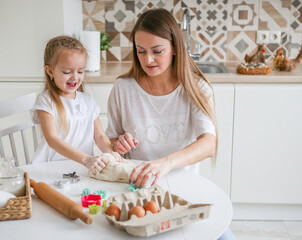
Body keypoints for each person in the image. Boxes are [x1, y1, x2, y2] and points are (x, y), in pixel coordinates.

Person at [106, 8, 235, 240]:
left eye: (157, 51)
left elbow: (209, 144)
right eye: (140, 51)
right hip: (137, 192)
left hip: (183, 191)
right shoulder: (122, 89)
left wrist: (165, 163)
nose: (148, 60)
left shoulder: (196, 88)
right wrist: (118, 144)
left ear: (175, 48)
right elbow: (110, 141)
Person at [32, 36, 121, 173]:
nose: (75, 77)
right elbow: (52, 140)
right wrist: (86, 159)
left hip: (81, 169)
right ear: (50, 71)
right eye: (67, 72)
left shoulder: (88, 101)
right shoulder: (46, 101)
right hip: (51, 168)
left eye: (80, 71)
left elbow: (100, 136)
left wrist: (110, 152)